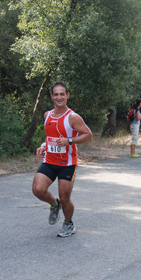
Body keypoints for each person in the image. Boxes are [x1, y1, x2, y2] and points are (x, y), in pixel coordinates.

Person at [33, 81, 93, 237]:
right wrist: (44, 146)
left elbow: (88, 135)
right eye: (56, 94)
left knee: (65, 197)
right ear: (52, 96)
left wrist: (70, 140)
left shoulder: (73, 117)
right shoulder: (47, 115)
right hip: (49, 160)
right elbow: (50, 136)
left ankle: (68, 224)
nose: (59, 97)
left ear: (67, 95)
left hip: (67, 163)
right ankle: (54, 204)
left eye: (62, 94)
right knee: (37, 189)